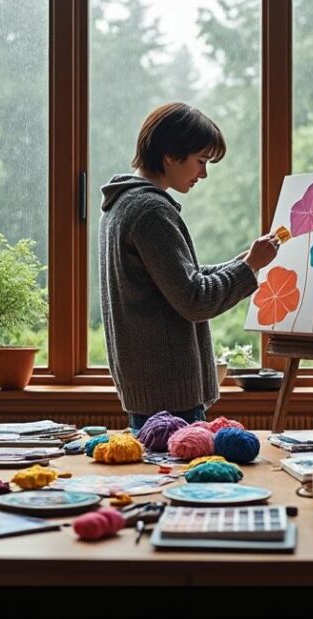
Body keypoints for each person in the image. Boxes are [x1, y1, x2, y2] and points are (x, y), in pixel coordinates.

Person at [99, 102, 279, 431]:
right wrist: (251, 266)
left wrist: (241, 263)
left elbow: (177, 281)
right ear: (170, 155)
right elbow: (195, 300)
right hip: (170, 399)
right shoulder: (150, 211)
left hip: (151, 394)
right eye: (201, 161)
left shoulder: (121, 206)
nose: (204, 173)